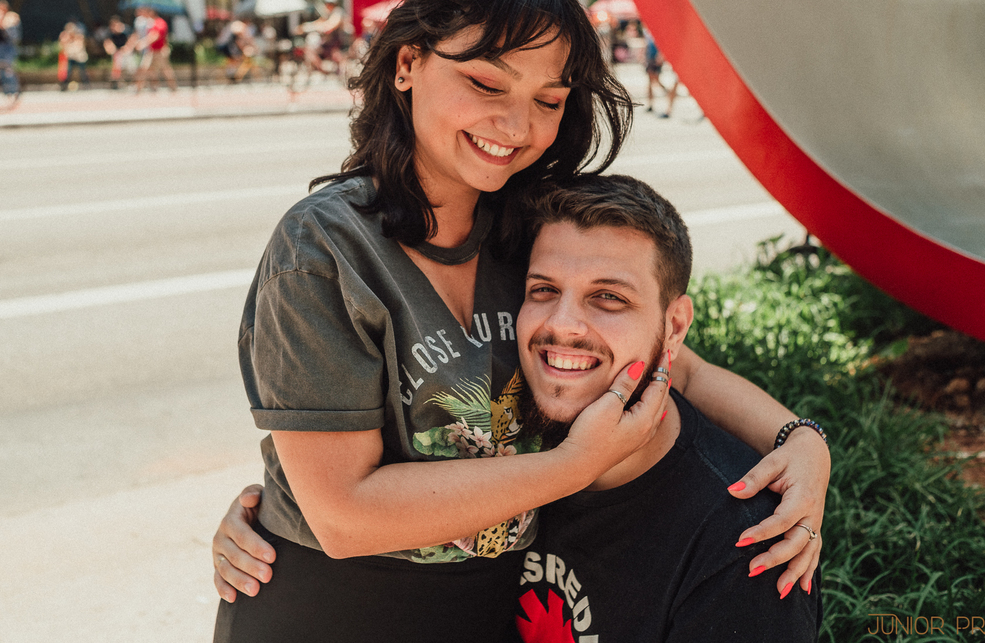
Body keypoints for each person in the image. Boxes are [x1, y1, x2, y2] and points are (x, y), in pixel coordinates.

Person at [210, 0, 829, 642]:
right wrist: (571, 465)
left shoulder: (528, 232)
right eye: (486, 83)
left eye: (548, 101)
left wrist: (803, 443)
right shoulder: (325, 250)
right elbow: (342, 515)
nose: (516, 125)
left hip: (488, 611)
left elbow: (672, 368)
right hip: (329, 614)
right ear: (408, 63)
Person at [215, 173, 825, 641]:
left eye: (609, 298)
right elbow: (347, 506)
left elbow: (685, 369)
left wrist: (803, 440)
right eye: (543, 291)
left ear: (675, 325)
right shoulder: (536, 444)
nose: (565, 326)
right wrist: (283, 513)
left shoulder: (745, 546)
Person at [133, 6, 176, 92]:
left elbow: (155, 36)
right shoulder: (151, 23)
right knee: (145, 68)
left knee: (165, 69)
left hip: (160, 51)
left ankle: (173, 87)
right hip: (151, 51)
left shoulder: (159, 23)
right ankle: (140, 88)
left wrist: (143, 43)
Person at [643, 28, 679, 118]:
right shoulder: (647, 30)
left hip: (657, 59)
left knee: (669, 83)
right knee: (651, 81)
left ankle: (668, 107)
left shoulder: (659, 30)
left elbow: (664, 44)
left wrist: (661, 56)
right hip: (651, 58)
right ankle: (655, 105)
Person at [58, 22, 90, 90]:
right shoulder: (66, 39)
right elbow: (63, 48)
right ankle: (63, 85)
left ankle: (86, 85)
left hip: (80, 58)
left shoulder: (79, 37)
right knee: (68, 72)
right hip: (71, 58)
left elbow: (79, 47)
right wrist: (65, 41)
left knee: (82, 72)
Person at [101, 16, 130, 89]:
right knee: (117, 66)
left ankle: (123, 81)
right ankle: (116, 81)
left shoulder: (126, 31)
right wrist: (110, 48)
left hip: (125, 52)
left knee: (125, 67)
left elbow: (131, 40)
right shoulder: (110, 33)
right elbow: (107, 42)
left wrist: (126, 47)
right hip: (116, 52)